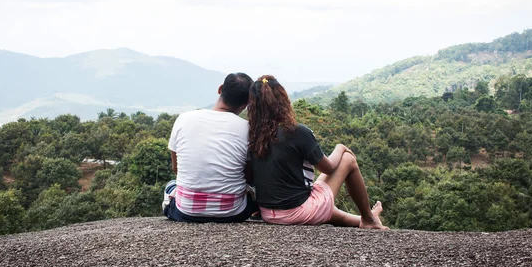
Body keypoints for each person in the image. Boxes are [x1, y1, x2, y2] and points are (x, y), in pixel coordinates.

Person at [247, 75, 388, 229]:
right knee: (347, 159)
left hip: (269, 213)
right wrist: (340, 147)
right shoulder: (296, 131)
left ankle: (368, 220)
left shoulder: (252, 135)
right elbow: (328, 168)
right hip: (295, 212)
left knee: (321, 199)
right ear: (282, 99)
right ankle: (368, 218)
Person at [163, 72, 258, 223]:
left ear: (220, 89)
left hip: (186, 211)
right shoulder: (247, 128)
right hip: (233, 212)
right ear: (247, 102)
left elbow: (177, 169)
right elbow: (249, 176)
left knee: (170, 185)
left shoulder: (184, 119)